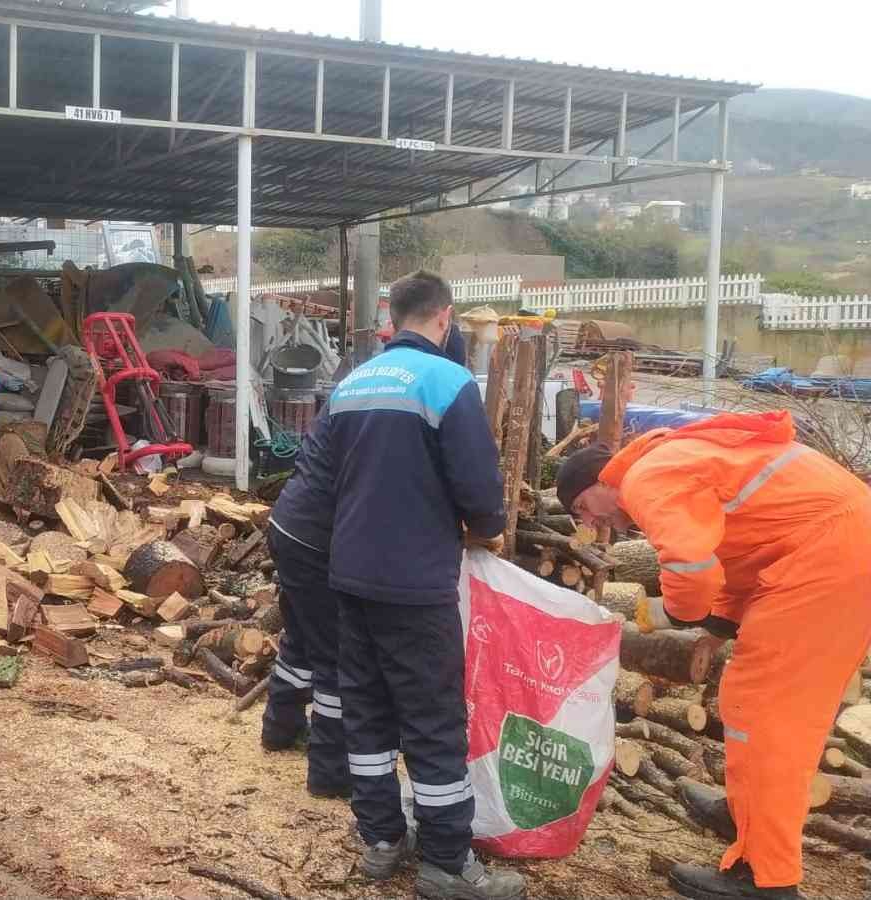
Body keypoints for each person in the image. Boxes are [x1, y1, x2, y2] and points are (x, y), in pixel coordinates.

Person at [556, 411, 871, 900]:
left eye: (583, 506)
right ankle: (747, 816)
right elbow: (739, 552)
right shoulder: (673, 459)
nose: (591, 522)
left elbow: (694, 570)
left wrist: (680, 613)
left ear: (602, 479)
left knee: (768, 716)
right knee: (754, 708)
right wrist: (718, 628)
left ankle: (766, 879)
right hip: (824, 552)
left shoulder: (645, 477)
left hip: (824, 563)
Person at [322, 271, 524, 900]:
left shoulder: (350, 384)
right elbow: (480, 490)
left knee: (368, 713)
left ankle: (381, 840)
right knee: (434, 722)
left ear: (393, 316)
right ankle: (444, 862)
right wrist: (486, 529)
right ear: (446, 317)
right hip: (415, 586)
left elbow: (327, 478)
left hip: (351, 576)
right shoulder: (448, 381)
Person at [263, 318, 469, 799]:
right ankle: (329, 773)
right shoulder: (420, 398)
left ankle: (279, 726)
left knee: (304, 638)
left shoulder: (367, 383)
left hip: (290, 522)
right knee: (335, 656)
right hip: (316, 537)